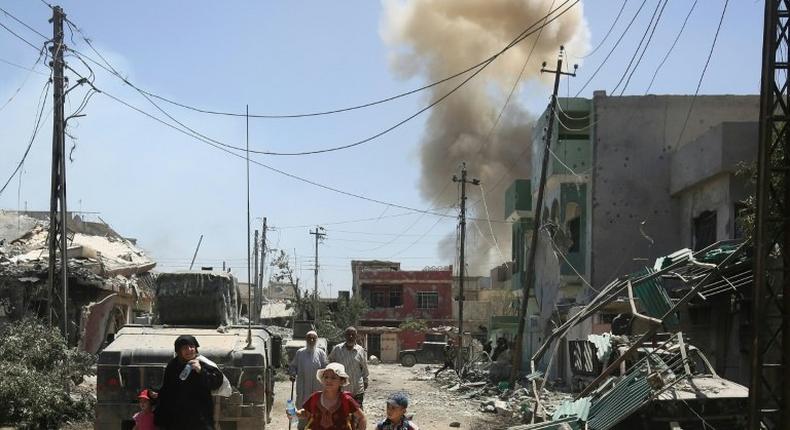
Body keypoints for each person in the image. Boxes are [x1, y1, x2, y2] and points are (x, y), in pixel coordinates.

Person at [153, 335, 225, 429]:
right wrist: (155, 393)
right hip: (178, 418)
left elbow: (216, 383)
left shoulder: (203, 364)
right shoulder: (173, 366)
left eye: (192, 347)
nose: (189, 350)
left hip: (200, 417)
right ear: (179, 351)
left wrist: (201, 370)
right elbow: (167, 389)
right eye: (185, 348)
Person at [293, 362, 367, 430]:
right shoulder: (314, 398)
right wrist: (294, 413)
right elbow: (306, 413)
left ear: (341, 381)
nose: (328, 380)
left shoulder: (346, 400)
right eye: (326, 377)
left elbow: (362, 417)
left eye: (333, 378)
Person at [289, 330, 329, 430]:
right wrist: (293, 374)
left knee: (317, 411)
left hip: (317, 388)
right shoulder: (300, 353)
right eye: (309, 338)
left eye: (313, 338)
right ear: (306, 340)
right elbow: (293, 366)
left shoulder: (321, 353)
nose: (311, 340)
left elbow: (326, 369)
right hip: (303, 388)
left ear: (317, 340)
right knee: (302, 409)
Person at [328, 326, 369, 408]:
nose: (351, 336)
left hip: (357, 389)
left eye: (353, 334)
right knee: (342, 415)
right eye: (348, 334)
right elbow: (329, 364)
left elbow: (364, 368)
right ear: (345, 336)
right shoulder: (337, 349)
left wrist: (365, 380)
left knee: (357, 415)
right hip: (341, 389)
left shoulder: (360, 350)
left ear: (356, 336)